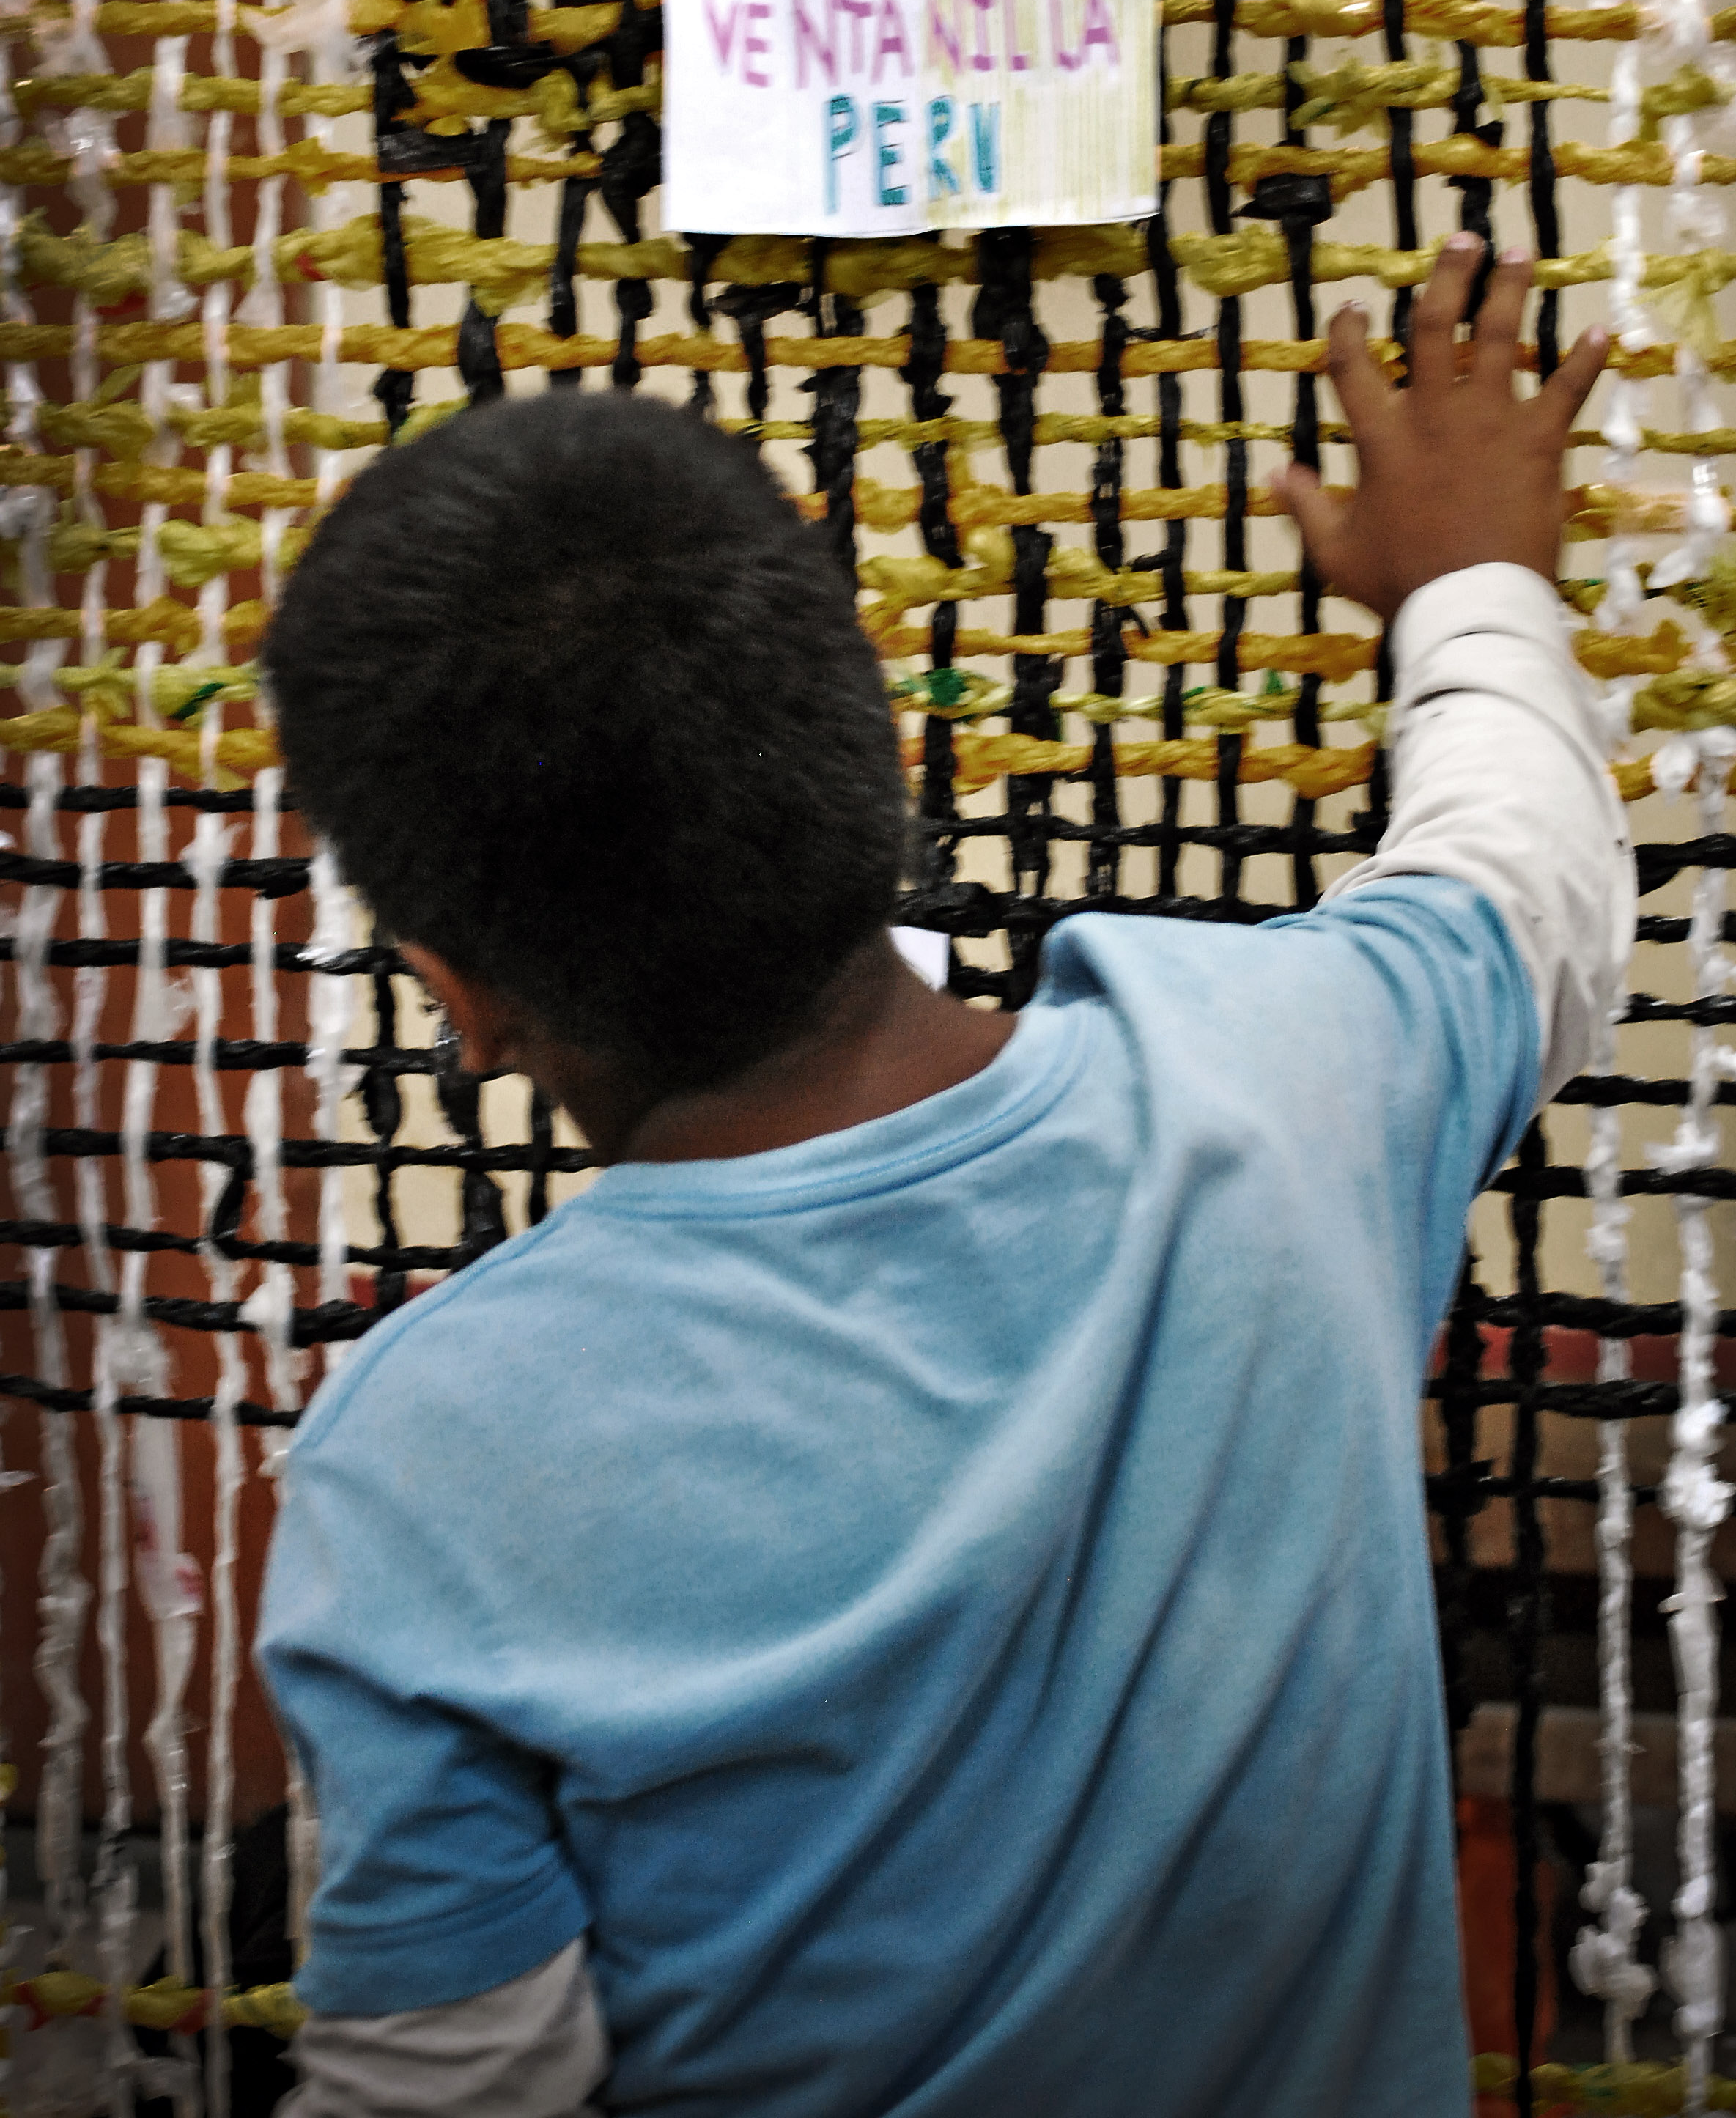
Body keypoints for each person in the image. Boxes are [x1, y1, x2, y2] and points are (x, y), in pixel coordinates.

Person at [256, 236, 1628, 2117]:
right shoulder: (1288, 1075)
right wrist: (1472, 583)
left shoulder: (419, 1459)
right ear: (875, 766)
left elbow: (452, 2086)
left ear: (458, 993)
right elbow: (1527, 865)